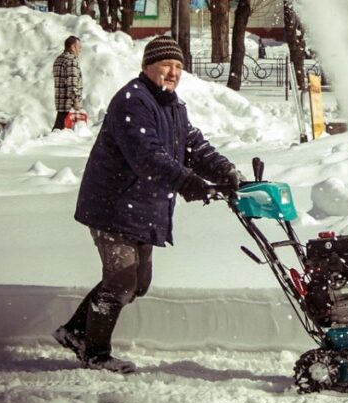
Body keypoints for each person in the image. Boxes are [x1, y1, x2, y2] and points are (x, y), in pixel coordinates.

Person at [53, 36, 245, 373]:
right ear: (147, 67)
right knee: (122, 280)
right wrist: (187, 182)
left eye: (178, 67)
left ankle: (75, 331)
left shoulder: (172, 105)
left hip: (142, 207)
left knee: (138, 283)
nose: (173, 72)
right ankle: (94, 352)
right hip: (113, 204)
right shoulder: (133, 101)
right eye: (166, 65)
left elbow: (192, 146)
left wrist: (225, 170)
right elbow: (147, 156)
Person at [52, 36, 83, 130]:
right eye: (79, 47)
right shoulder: (71, 61)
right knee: (63, 135)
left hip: (61, 103)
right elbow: (72, 84)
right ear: (73, 47)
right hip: (69, 105)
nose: (80, 50)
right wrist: (77, 101)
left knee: (58, 128)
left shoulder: (59, 60)